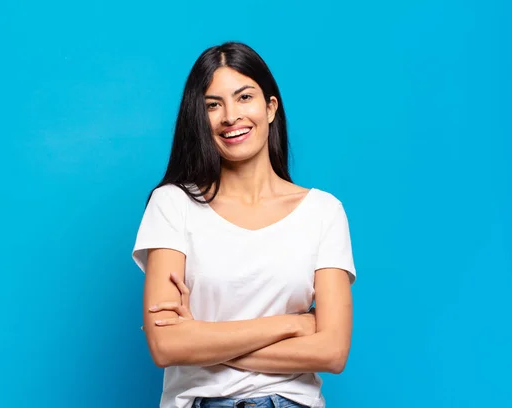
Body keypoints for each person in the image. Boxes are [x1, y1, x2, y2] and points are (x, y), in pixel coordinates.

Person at [132, 42, 357, 408]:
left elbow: (332, 351)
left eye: (244, 97)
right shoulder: (173, 204)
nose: (230, 116)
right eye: (212, 105)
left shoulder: (323, 212)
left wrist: (201, 342)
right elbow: (166, 346)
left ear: (270, 108)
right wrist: (292, 325)